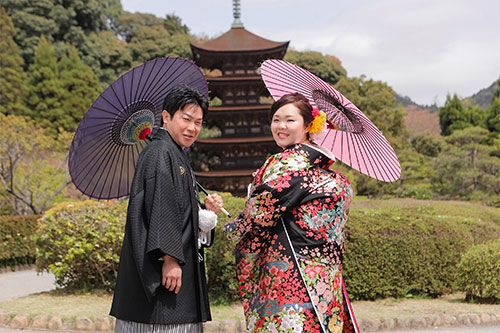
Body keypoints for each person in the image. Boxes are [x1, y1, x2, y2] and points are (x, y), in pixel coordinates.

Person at [224, 92, 359, 333]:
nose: (280, 126)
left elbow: (258, 215)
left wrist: (233, 229)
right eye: (275, 119)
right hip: (326, 277)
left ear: (308, 125)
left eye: (289, 120)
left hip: (289, 273)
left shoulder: (285, 163)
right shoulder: (339, 181)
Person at [110, 85, 223, 332]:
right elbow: (159, 207)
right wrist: (170, 258)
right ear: (166, 116)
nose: (192, 128)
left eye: (198, 122)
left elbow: (179, 208)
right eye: (186, 119)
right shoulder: (160, 152)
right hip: (165, 269)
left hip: (177, 266)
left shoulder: (174, 154)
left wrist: (203, 209)